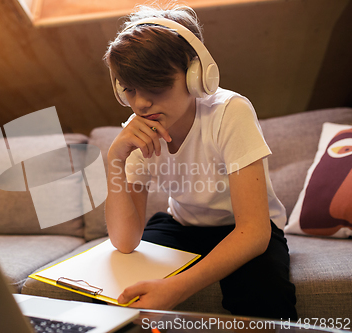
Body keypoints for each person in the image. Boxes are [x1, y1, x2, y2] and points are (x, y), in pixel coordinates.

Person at [102, 4, 297, 320]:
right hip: (182, 226)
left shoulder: (230, 112)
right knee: (117, 293)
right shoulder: (137, 130)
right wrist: (114, 158)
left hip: (244, 228)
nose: (140, 103)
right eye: (130, 89)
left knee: (264, 293)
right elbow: (124, 242)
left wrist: (177, 287)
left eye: (155, 86)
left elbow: (254, 231)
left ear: (196, 76)